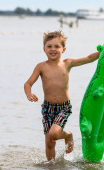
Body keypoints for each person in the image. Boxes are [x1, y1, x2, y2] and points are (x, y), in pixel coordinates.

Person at [24, 30, 100, 161]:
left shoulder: (67, 63)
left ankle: (68, 135)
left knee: (54, 133)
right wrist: (29, 94)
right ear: (44, 49)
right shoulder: (41, 67)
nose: (53, 49)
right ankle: (51, 168)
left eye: (56, 46)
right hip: (47, 108)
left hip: (63, 107)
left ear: (63, 49)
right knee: (49, 141)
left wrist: (101, 52)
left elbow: (88, 58)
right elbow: (28, 83)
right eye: (49, 46)